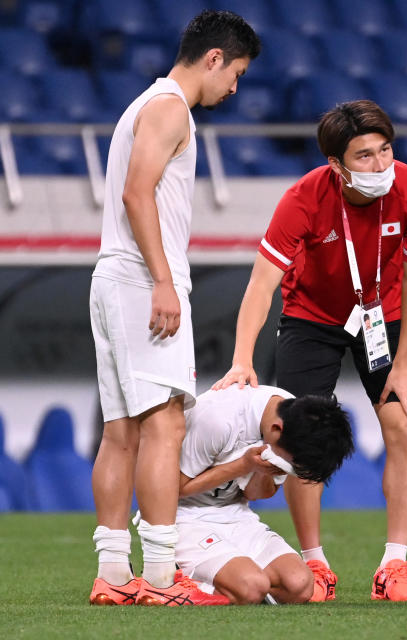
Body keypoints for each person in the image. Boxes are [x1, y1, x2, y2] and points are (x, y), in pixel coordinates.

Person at [214, 100, 407, 602]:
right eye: (365, 156)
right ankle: (315, 565)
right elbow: (260, 285)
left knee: (405, 423)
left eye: (386, 151)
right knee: (300, 439)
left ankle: (394, 569)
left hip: (387, 314)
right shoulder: (302, 199)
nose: (381, 165)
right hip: (311, 317)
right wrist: (242, 359)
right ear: (336, 164)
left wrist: (404, 364)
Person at [88, 10, 260, 606]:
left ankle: (112, 575)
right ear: (214, 58)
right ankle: (162, 575)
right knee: (166, 425)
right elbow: (140, 193)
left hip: (114, 276)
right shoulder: (169, 109)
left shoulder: (143, 105)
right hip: (141, 279)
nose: (234, 87)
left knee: (121, 433)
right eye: (235, 72)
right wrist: (164, 280)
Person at [174, 385, 354, 605]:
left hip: (237, 514)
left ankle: (225, 581)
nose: (286, 470)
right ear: (276, 429)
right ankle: (175, 577)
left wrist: (261, 471)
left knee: (300, 585)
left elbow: (257, 493)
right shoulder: (218, 418)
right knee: (251, 587)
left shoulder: (294, 418)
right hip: (184, 517)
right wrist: (243, 465)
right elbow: (174, 489)